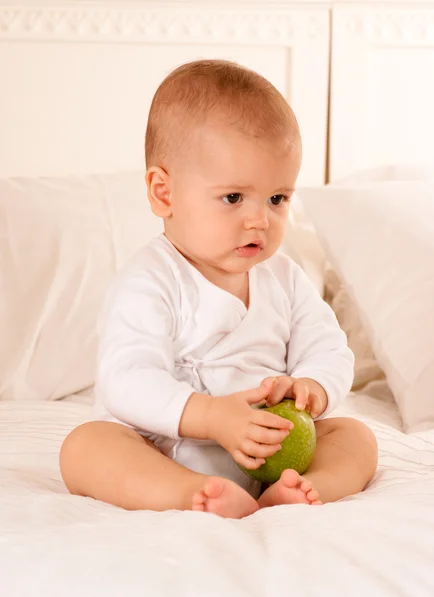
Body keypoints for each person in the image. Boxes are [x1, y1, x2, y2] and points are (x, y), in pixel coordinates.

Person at [60, 60, 378, 518]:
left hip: (273, 450)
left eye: (277, 199)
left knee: (355, 436)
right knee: (86, 447)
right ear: (163, 193)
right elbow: (125, 379)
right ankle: (191, 493)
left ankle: (301, 489)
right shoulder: (151, 279)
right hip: (164, 448)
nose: (259, 220)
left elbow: (331, 350)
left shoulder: (285, 278)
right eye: (233, 198)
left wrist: (311, 387)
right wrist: (212, 418)